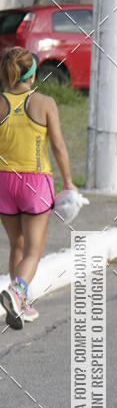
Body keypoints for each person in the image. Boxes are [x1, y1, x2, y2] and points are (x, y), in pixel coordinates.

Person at [0, 47, 75, 328]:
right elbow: (57, 145)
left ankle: (20, 305)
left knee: (16, 244)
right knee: (33, 250)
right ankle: (17, 291)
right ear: (31, 74)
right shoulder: (44, 103)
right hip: (34, 183)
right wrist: (68, 182)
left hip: (3, 181)